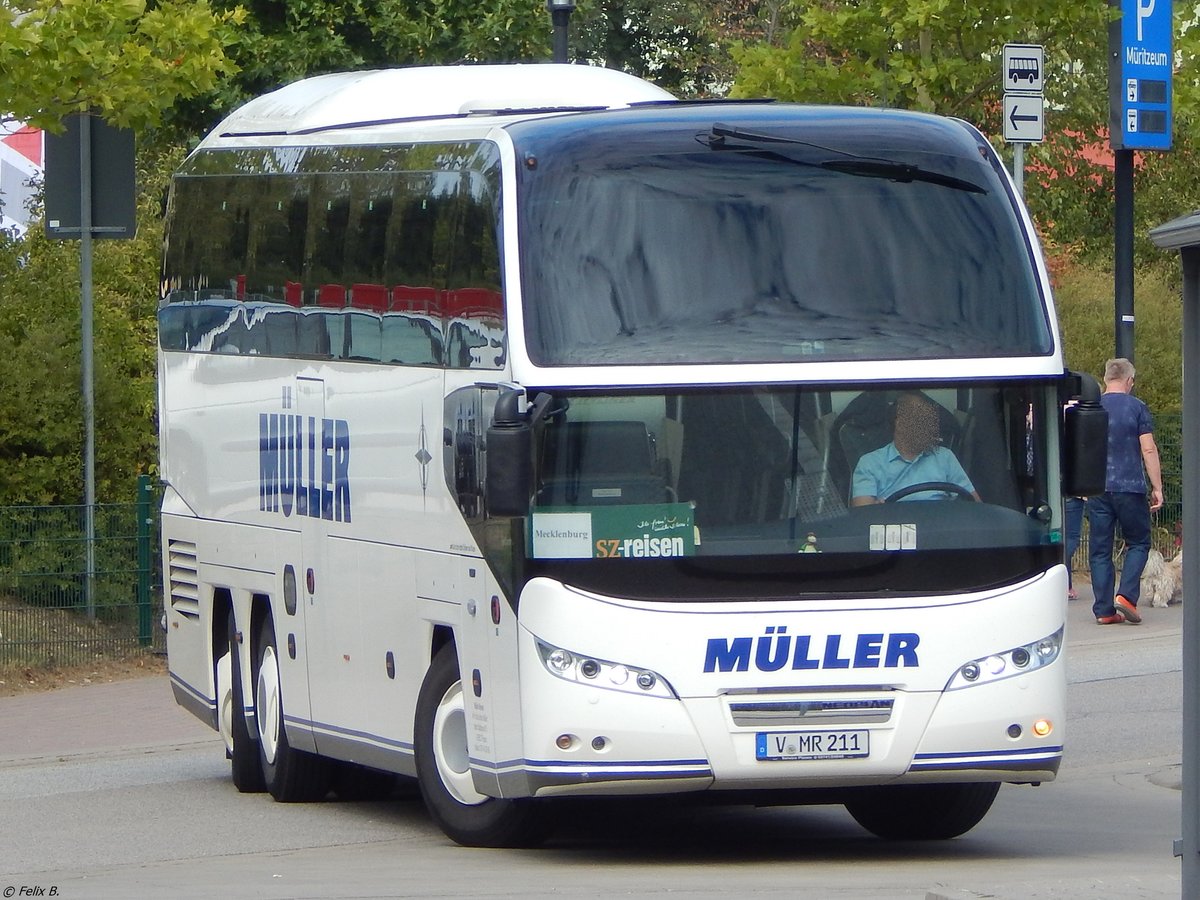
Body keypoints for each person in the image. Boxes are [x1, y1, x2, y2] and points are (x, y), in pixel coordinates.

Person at [1087, 358, 1164, 625]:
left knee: (1099, 551)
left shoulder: (1091, 406)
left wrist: (1081, 485)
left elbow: (1079, 448)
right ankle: (1126, 597)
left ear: (1107, 378)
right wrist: (1157, 486)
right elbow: (1149, 448)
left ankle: (1104, 611)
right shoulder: (1137, 407)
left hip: (1097, 487)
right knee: (1139, 542)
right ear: (1129, 380)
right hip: (1130, 486)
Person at [851, 391, 980, 505]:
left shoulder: (945, 456)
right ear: (899, 423)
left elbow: (976, 506)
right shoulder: (869, 463)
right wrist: (877, 510)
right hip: (895, 528)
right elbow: (863, 517)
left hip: (940, 526)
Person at [1064, 495, 1085, 600]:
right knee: (1071, 539)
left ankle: (1065, 584)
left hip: (1051, 494)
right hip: (1072, 495)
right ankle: (1066, 586)